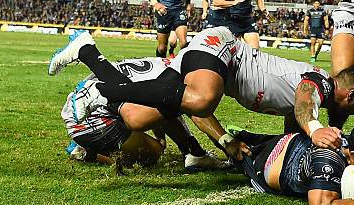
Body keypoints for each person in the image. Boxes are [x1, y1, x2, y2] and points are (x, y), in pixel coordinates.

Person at [49, 27, 354, 155]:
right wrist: (318, 129)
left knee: (135, 116)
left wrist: (228, 143)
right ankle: (103, 93)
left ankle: (87, 50)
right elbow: (306, 102)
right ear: (349, 95)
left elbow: (297, 131)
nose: (350, 113)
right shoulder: (319, 83)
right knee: (203, 98)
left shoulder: (312, 106)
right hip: (224, 50)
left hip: (215, 61)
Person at [57, 43, 229, 172]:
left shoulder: (166, 65)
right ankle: (90, 153)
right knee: (154, 154)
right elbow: (200, 113)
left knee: (170, 106)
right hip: (92, 117)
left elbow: (162, 109)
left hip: (83, 103)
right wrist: (228, 143)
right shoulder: (186, 75)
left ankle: (193, 153)